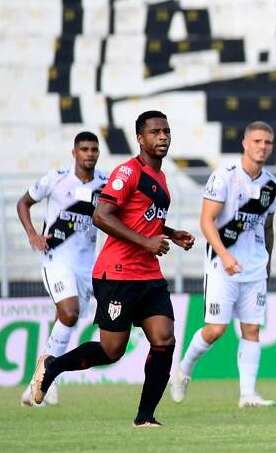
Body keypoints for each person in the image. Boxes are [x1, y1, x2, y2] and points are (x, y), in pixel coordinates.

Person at [30, 110, 195, 427]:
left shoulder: (160, 178)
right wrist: (146, 243)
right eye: (155, 132)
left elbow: (144, 220)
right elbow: (102, 216)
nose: (163, 137)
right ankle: (52, 366)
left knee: (164, 339)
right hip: (116, 274)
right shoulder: (127, 173)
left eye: (166, 131)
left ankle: (145, 417)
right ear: (140, 138)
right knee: (112, 350)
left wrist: (171, 234)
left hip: (148, 275)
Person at [170, 121, 276, 408]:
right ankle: (184, 369)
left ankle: (247, 395)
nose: (262, 146)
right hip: (222, 266)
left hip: (254, 268)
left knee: (252, 329)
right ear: (245, 143)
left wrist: (267, 263)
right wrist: (225, 255)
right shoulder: (224, 177)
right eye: (257, 141)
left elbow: (267, 227)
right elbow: (206, 221)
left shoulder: (272, 185)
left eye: (267, 142)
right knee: (215, 330)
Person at [17, 131, 107, 406]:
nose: (89, 154)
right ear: (74, 153)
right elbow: (24, 203)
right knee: (69, 313)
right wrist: (33, 234)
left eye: (94, 149)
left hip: (89, 264)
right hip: (56, 259)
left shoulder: (105, 183)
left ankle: (39, 379)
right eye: (84, 149)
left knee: (71, 318)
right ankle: (48, 380)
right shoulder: (56, 178)